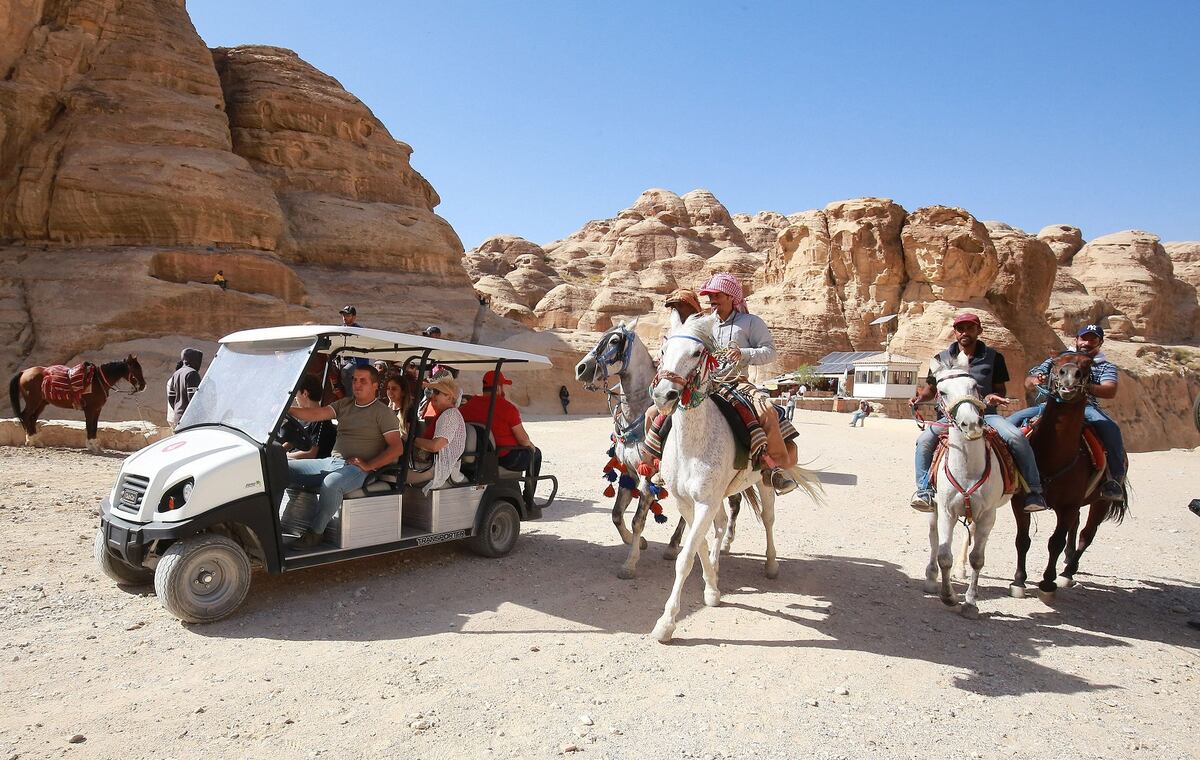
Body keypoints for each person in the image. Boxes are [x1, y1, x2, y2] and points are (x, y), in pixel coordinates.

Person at [909, 312, 1047, 513]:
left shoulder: (994, 357)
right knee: (923, 441)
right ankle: (924, 491)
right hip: (950, 419)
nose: (965, 332)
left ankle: (1034, 491)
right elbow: (932, 389)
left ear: (979, 331)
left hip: (986, 415)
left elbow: (1000, 389)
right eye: (960, 328)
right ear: (955, 332)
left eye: (970, 328)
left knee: (1016, 437)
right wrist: (919, 398)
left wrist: (992, 396)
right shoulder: (940, 359)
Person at [697, 272, 799, 495]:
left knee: (767, 410)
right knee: (660, 410)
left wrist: (742, 353)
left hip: (736, 382)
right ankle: (656, 461)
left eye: (717, 295)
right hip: (706, 384)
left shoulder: (750, 322)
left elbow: (770, 352)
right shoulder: (705, 324)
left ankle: (774, 470)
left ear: (731, 297)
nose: (712, 300)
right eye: (709, 296)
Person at [285, 365, 404, 548]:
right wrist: (286, 410)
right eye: (354, 379)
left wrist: (368, 464)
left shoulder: (383, 412)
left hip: (358, 469)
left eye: (363, 380)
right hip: (333, 462)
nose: (357, 384)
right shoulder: (345, 404)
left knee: (331, 483)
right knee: (277, 466)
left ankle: (315, 534)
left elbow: (397, 448)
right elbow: (316, 414)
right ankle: (271, 525)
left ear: (375, 385)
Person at [1007, 323, 1126, 503]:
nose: (1087, 342)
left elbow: (1110, 390)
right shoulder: (1059, 360)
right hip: (1052, 405)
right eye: (1084, 338)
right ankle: (1004, 471)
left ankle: (1115, 479)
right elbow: (1029, 381)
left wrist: (1084, 386)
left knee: (1111, 430)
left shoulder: (1105, 365)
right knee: (1010, 422)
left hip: (1085, 407)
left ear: (1100, 342)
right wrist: (1037, 380)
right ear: (1076, 340)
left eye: (1092, 339)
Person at [461, 370, 542, 499]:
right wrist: (530, 446)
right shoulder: (507, 408)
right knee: (536, 454)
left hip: (479, 454)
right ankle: (528, 498)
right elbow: (524, 440)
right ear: (498, 388)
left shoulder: (468, 406)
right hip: (505, 456)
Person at [408, 374, 467, 493]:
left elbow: (435, 446)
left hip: (440, 468)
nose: (432, 396)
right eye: (433, 391)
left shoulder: (450, 415)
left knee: (397, 476)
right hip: (430, 463)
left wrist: (410, 439)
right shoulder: (444, 414)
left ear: (449, 397)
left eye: (437, 392)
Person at [283, 375, 336, 460]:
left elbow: (311, 453)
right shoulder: (302, 418)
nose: (295, 398)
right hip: (295, 457)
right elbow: (293, 441)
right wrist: (279, 450)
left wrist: (285, 456)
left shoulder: (321, 421)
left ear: (305, 393)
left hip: (312, 463)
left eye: (296, 394)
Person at [166, 348, 203, 430]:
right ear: (194, 359)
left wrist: (178, 410)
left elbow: (171, 398)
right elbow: (193, 400)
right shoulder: (192, 373)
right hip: (190, 421)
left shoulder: (176, 373)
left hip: (177, 418)